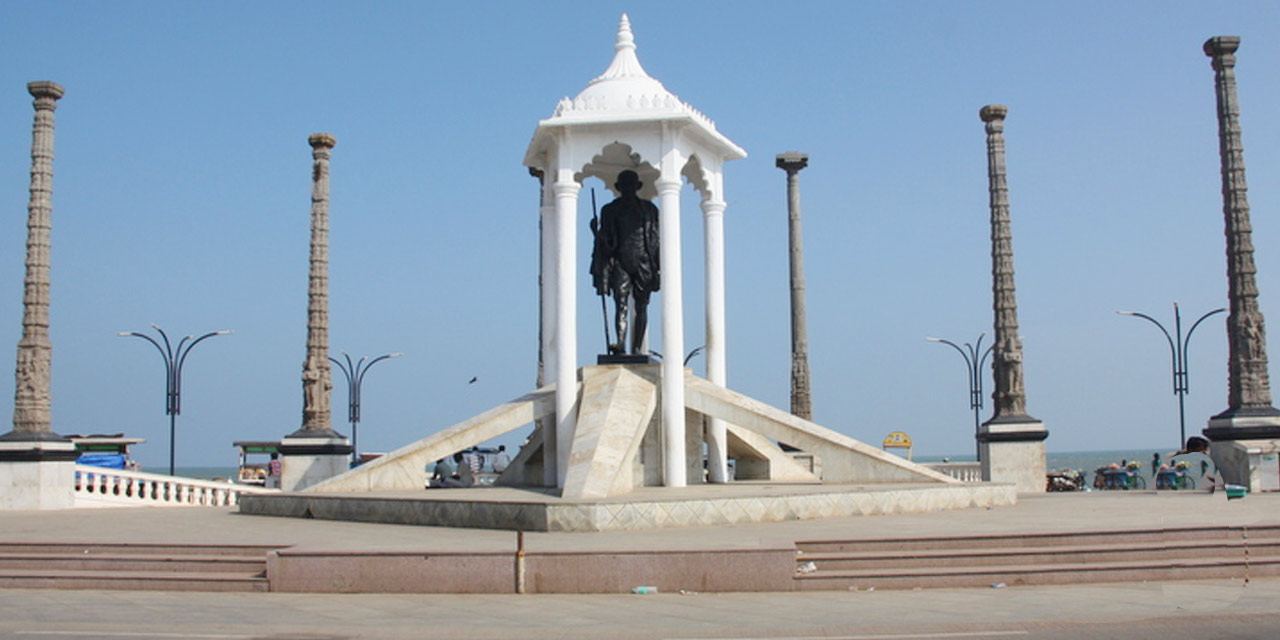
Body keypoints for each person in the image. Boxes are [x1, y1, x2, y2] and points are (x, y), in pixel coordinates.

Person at [590, 170, 660, 355]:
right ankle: (620, 344)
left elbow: (657, 239)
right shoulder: (610, 210)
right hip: (621, 262)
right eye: (624, 186)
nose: (628, 189)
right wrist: (596, 233)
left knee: (641, 305)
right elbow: (608, 244)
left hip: (644, 261)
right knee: (620, 304)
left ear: (637, 187)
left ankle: (637, 348)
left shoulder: (649, 209)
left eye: (631, 185)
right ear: (619, 188)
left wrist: (658, 266)